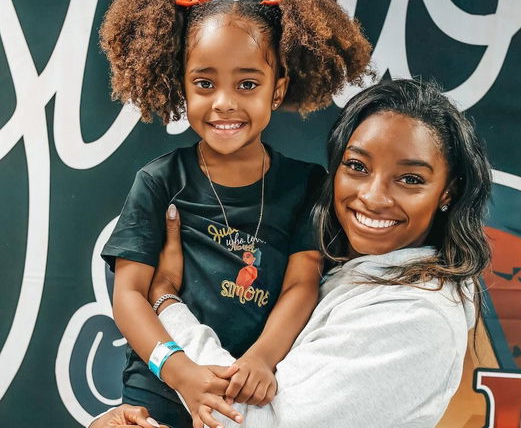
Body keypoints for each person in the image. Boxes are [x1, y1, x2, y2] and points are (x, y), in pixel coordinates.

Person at [92, 78, 492, 428]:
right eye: (357, 166)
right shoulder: (351, 270)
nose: (373, 196)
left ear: (448, 192)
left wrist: (164, 299)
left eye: (410, 179)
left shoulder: (414, 317)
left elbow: (245, 422)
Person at [98, 0, 372, 428]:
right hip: (161, 389)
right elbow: (129, 296)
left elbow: (301, 284)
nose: (224, 103)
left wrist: (263, 359)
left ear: (277, 90)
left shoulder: (306, 184)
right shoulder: (160, 180)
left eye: (247, 83)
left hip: (252, 391)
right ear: (182, 87)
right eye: (204, 83)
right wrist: (179, 371)